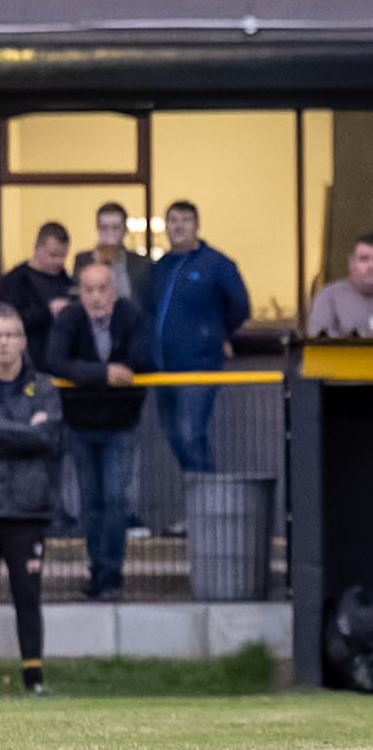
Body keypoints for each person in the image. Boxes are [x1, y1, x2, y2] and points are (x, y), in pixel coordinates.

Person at [44, 261, 152, 601]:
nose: (96, 297)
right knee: (90, 502)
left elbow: (142, 358)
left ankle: (111, 575)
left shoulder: (131, 317)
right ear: (81, 292)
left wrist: (88, 372)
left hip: (121, 424)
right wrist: (103, 374)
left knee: (115, 498)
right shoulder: (70, 318)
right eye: (88, 289)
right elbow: (55, 360)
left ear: (114, 291)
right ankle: (98, 570)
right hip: (80, 424)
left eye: (102, 288)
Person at [147, 201, 248, 475]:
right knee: (173, 433)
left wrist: (217, 334)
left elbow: (241, 306)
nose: (178, 226)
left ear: (197, 226)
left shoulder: (217, 264)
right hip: (163, 368)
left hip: (198, 365)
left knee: (191, 434)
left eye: (185, 220)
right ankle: (198, 496)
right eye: (173, 221)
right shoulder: (160, 267)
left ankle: (206, 498)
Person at [0, 304, 60, 696]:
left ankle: (34, 679)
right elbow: (33, 435)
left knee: (28, 595)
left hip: (27, 509)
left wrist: (15, 433)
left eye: (10, 335)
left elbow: (47, 438)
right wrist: (25, 430)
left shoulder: (44, 387)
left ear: (23, 340)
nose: (4, 344)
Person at [0, 223, 73, 369]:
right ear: (37, 247)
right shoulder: (15, 280)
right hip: (30, 362)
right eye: (53, 255)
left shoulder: (65, 280)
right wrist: (48, 312)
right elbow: (11, 322)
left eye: (63, 256)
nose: (59, 262)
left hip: (62, 361)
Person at [73, 202, 152, 311]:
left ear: (125, 230)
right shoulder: (83, 260)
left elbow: (144, 304)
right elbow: (78, 299)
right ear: (98, 229)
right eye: (104, 228)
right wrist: (98, 263)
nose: (110, 234)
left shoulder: (140, 263)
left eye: (115, 228)